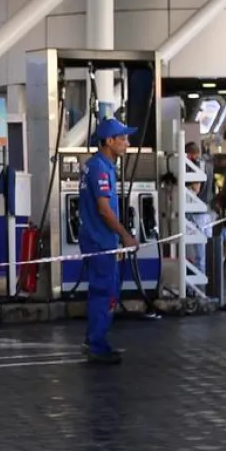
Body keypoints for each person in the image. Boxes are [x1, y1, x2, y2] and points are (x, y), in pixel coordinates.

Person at [79, 117, 139, 364]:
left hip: (100, 239)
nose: (127, 143)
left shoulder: (100, 165)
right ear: (109, 141)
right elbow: (104, 209)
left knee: (105, 290)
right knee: (105, 292)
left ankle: (96, 339)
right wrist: (125, 235)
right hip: (100, 240)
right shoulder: (100, 169)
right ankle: (96, 344)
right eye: (122, 138)